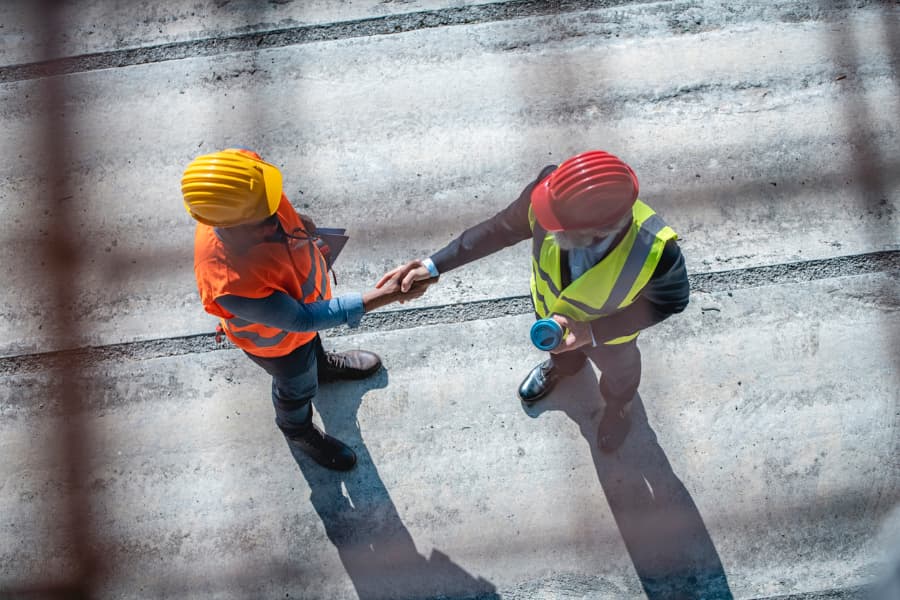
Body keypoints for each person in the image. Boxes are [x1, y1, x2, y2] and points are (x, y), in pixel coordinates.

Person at [379, 151, 690, 452]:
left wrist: (590, 333)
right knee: (562, 355)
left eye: (556, 224)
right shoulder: (551, 191)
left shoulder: (656, 250)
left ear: (598, 231)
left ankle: (618, 409)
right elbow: (500, 228)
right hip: (548, 316)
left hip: (610, 340)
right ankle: (563, 367)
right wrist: (432, 266)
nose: (543, 222)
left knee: (620, 379)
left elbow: (670, 302)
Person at [182, 148, 430, 471]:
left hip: (303, 313)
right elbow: (302, 319)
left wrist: (301, 221)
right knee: (296, 384)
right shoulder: (228, 280)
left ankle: (322, 366)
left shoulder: (249, 183)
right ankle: (297, 429)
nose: (275, 208)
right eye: (265, 212)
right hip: (277, 345)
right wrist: (385, 295)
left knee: (312, 347)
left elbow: (275, 202)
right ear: (235, 225)